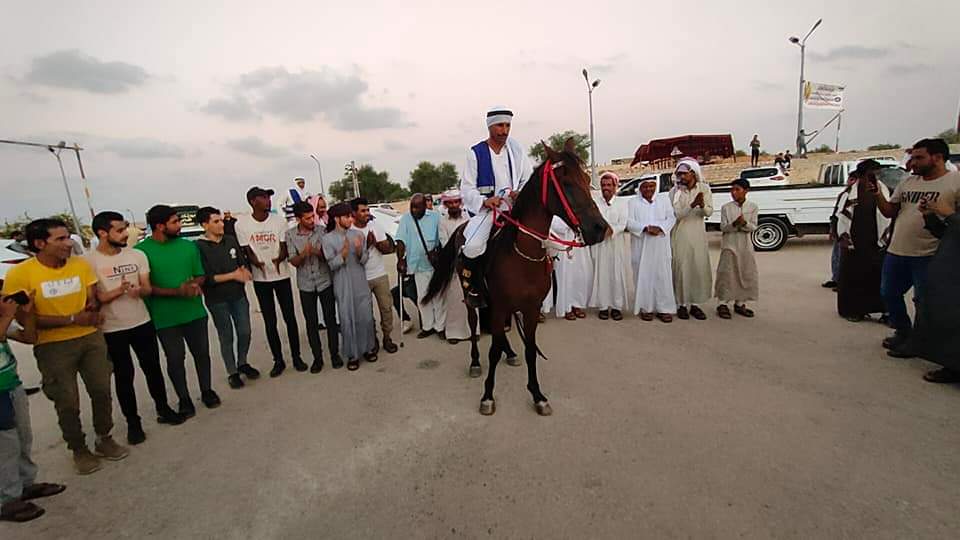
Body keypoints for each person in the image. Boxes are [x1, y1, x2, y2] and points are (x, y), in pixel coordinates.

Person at [1, 218, 127, 475]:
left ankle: (104, 437)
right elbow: (24, 320)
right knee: (67, 400)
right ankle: (79, 449)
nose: (69, 243)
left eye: (68, 237)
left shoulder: (80, 265)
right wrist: (71, 319)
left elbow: (92, 297)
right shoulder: (20, 275)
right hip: (53, 347)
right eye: (60, 239)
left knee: (102, 390)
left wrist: (92, 307)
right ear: (39, 243)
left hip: (91, 338)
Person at [87, 212, 185, 445]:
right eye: (119, 230)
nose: (125, 234)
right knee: (124, 376)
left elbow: (147, 288)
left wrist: (139, 291)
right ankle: (133, 423)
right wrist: (118, 291)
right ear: (102, 233)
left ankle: (163, 409)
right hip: (112, 329)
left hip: (141, 321)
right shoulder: (88, 262)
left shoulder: (136, 255)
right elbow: (94, 300)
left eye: (125, 228)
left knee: (153, 369)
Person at [874, 139, 960, 355]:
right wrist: (877, 194)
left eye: (919, 158)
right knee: (888, 293)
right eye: (912, 157)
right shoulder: (908, 182)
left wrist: (943, 212)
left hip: (930, 254)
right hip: (897, 250)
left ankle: (918, 343)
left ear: (938, 157)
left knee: (924, 301)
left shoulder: (955, 182)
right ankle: (903, 331)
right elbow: (890, 212)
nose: (913, 162)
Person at [136, 205, 220, 418]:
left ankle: (207, 390)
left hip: (194, 312)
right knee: (175, 359)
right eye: (174, 222)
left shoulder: (188, 247)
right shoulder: (141, 252)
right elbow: (145, 287)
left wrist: (194, 284)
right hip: (165, 318)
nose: (179, 225)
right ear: (159, 226)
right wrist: (176, 291)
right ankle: (184, 398)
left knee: (202, 354)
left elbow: (200, 274)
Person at [1, 291, 67, 522]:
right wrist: (7, 315)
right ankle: (7, 500)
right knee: (6, 445)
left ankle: (25, 484)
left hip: (11, 384)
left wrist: (27, 315)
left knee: (22, 436)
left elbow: (29, 338)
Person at [459, 106, 534, 307]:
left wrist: (520, 193)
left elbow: (528, 179)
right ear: (490, 126)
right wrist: (484, 201)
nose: (505, 130)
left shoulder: (516, 150)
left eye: (508, 125)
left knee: (547, 241)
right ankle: (474, 287)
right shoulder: (476, 153)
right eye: (500, 125)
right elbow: (466, 188)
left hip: (515, 208)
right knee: (472, 246)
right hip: (488, 211)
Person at [236, 187, 304, 376]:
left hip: (282, 276)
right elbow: (246, 250)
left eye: (268, 197)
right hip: (261, 279)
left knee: (290, 317)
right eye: (264, 197)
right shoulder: (242, 224)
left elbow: (284, 246)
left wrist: (280, 259)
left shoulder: (279, 221)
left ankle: (297, 357)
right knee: (270, 320)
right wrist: (255, 263)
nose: (268, 200)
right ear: (253, 201)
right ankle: (278, 360)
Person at [195, 207, 261, 388]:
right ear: (205, 225)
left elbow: (241, 262)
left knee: (245, 331)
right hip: (217, 300)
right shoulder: (199, 247)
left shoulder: (230, 240)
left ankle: (242, 362)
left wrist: (244, 271)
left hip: (238, 295)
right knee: (226, 335)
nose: (221, 225)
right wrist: (233, 275)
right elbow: (206, 278)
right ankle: (232, 372)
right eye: (216, 222)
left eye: (221, 221)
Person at [908, 198, 960, 382]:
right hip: (947, 274)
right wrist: (929, 216)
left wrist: (950, 214)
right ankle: (952, 366)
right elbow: (946, 234)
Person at [285, 202, 341, 371]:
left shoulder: (322, 231)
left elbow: (330, 256)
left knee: (331, 319)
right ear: (298, 219)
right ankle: (317, 358)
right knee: (311, 323)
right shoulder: (290, 235)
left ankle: (335, 355)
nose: (311, 221)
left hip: (325, 281)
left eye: (312, 217)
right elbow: (293, 261)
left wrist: (317, 252)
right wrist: (303, 254)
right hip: (306, 284)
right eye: (307, 218)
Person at [321, 203, 376, 371]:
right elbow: (331, 265)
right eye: (347, 217)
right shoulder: (327, 239)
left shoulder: (358, 234)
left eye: (351, 216)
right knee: (347, 318)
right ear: (337, 219)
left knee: (365, 316)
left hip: (360, 280)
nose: (351, 219)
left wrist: (359, 251)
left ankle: (368, 348)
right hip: (342, 283)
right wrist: (343, 254)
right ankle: (353, 355)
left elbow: (364, 259)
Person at [835, 164, 891, 322]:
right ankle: (854, 311)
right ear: (862, 175)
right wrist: (840, 237)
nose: (875, 178)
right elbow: (838, 215)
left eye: (877, 174)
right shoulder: (848, 194)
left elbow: (889, 214)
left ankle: (884, 312)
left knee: (878, 278)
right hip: (854, 243)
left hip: (876, 243)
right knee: (853, 278)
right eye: (871, 175)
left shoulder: (883, 191)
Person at [350, 198, 398, 354]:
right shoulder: (349, 230)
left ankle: (387, 337)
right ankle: (373, 339)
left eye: (367, 210)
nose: (366, 213)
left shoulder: (375, 225)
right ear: (353, 213)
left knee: (386, 308)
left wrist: (377, 243)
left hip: (379, 274)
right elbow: (351, 257)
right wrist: (367, 245)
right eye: (362, 211)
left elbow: (387, 249)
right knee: (366, 313)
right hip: (361, 278)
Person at [626, 177, 677, 322]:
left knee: (662, 277)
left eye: (651, 186)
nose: (648, 189)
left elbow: (671, 218)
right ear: (640, 188)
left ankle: (664, 309)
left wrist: (660, 228)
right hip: (641, 247)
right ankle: (646, 308)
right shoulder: (632, 202)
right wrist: (645, 228)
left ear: (656, 186)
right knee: (643, 276)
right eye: (645, 186)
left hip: (660, 246)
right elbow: (628, 221)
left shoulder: (664, 200)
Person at [670, 159, 714, 320]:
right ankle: (681, 304)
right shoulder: (675, 192)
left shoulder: (704, 189)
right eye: (679, 174)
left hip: (697, 236)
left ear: (693, 174)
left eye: (684, 173)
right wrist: (692, 204)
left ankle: (695, 304)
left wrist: (701, 205)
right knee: (681, 269)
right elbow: (677, 214)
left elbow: (709, 212)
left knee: (697, 268)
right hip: (680, 235)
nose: (680, 176)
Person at [395, 194, 443, 339]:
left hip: (434, 263)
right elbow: (400, 240)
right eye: (412, 207)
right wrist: (400, 260)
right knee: (423, 297)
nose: (414, 210)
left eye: (417, 207)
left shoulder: (435, 217)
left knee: (438, 296)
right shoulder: (406, 219)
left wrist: (437, 252)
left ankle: (440, 327)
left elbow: (442, 237)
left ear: (424, 205)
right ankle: (428, 326)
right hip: (417, 265)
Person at [714, 179, 759, 319]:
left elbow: (753, 227)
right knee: (727, 274)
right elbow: (723, 227)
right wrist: (734, 224)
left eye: (737, 189)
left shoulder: (752, 207)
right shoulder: (726, 208)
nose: (733, 193)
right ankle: (722, 303)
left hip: (745, 246)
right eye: (732, 190)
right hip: (730, 245)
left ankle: (740, 303)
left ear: (746, 191)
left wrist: (744, 223)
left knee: (745, 273)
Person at [589, 172, 629, 321]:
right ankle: (603, 307)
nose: (606, 188)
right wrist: (601, 232)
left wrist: (611, 230)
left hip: (616, 244)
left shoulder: (622, 203)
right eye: (603, 185)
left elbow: (623, 223)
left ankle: (616, 307)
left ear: (615, 186)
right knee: (602, 275)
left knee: (616, 275)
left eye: (609, 185)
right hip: (600, 245)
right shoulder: (595, 203)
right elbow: (592, 220)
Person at [437, 190, 470, 343]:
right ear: (446, 205)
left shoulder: (467, 218)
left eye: (456, 202)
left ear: (460, 203)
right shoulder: (443, 222)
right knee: (454, 298)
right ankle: (454, 333)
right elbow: (444, 243)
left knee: (470, 296)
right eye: (450, 203)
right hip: (452, 263)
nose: (453, 205)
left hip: (468, 262)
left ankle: (472, 331)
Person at [550, 217, 592, 321]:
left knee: (580, 275)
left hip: (579, 242)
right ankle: (566, 307)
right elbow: (554, 225)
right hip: (564, 243)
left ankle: (577, 304)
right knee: (565, 277)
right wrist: (571, 223)